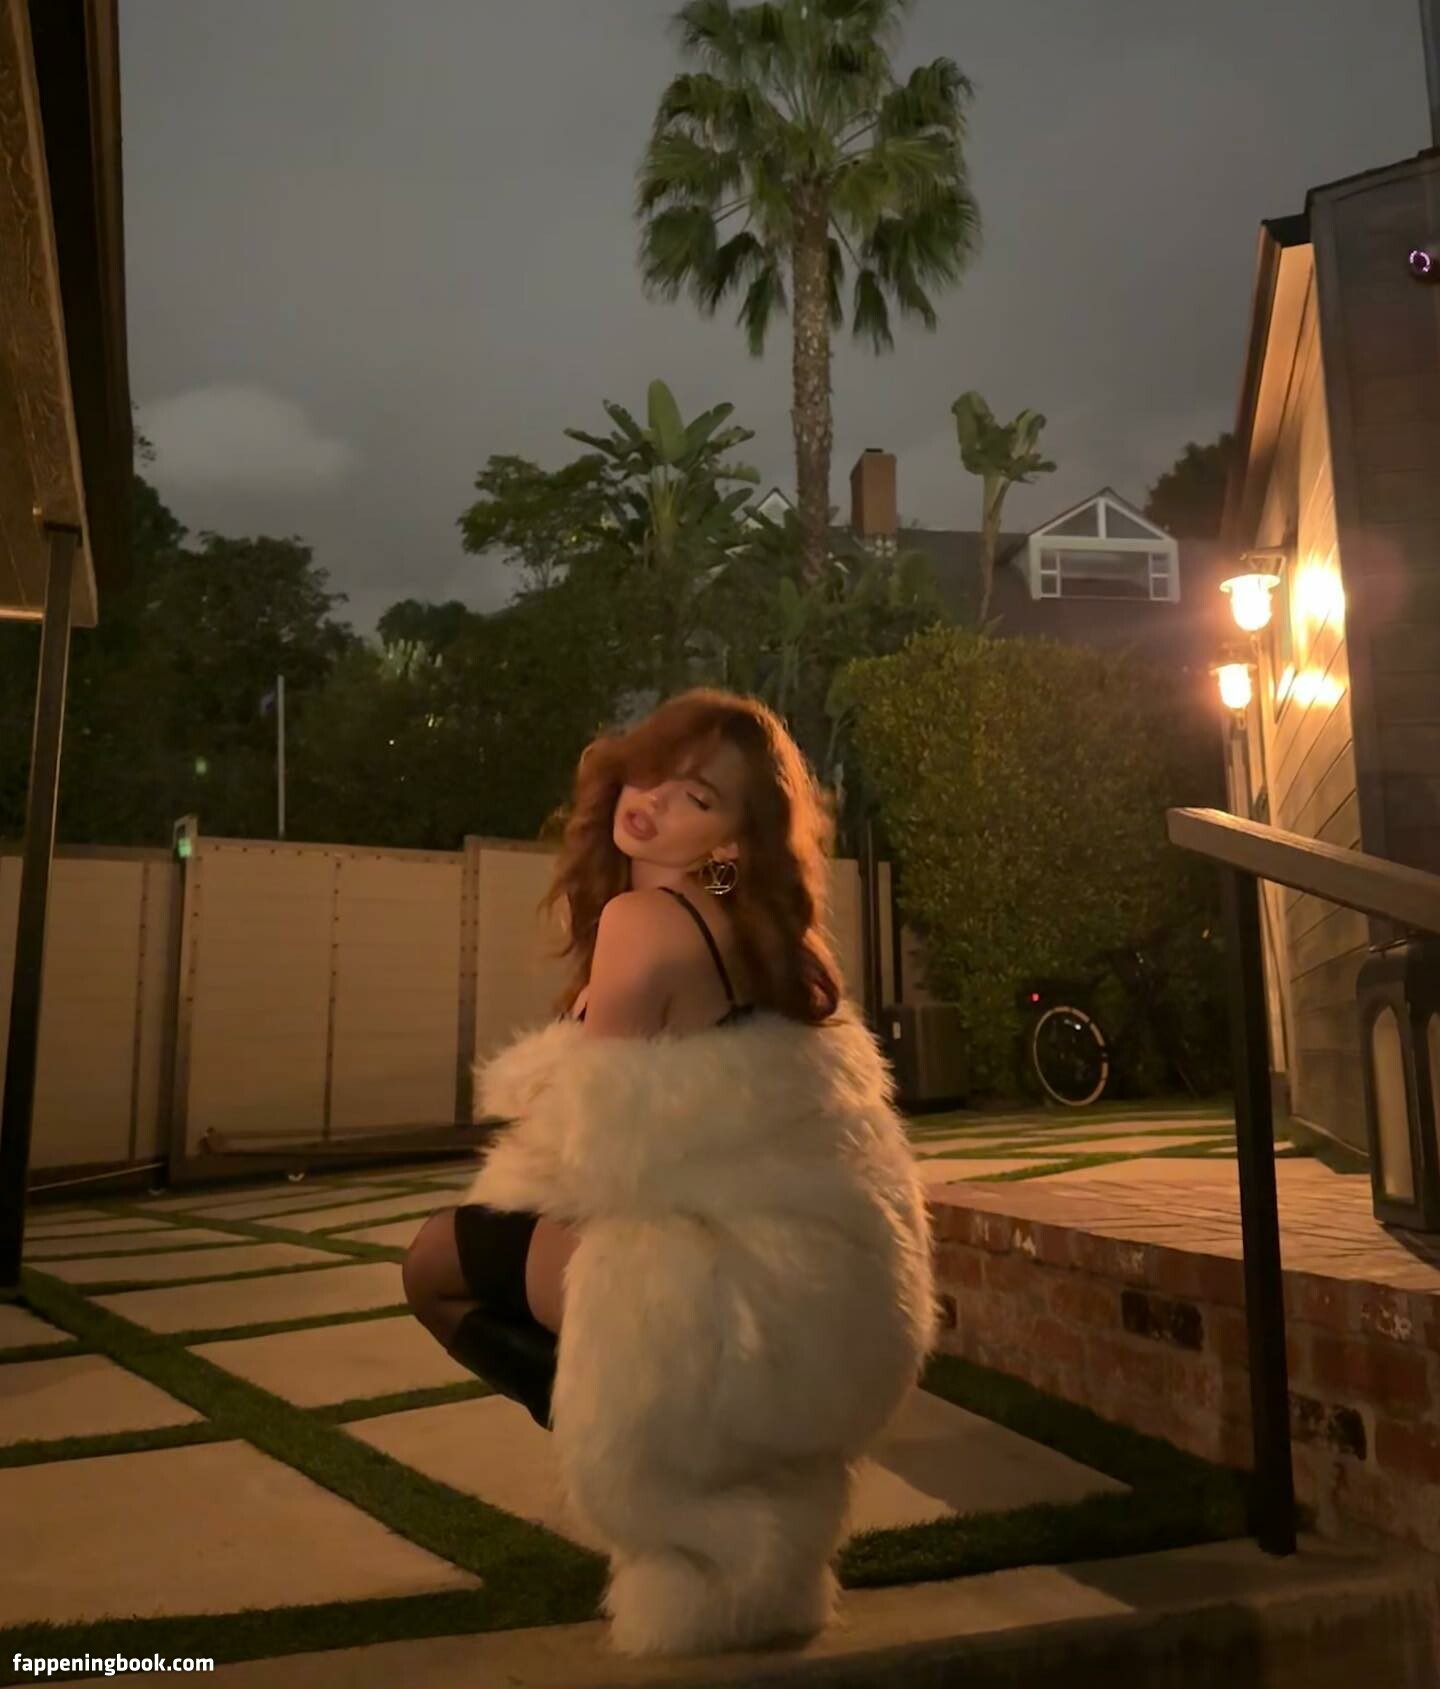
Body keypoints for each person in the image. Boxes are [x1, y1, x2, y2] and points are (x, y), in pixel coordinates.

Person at [402, 688, 935, 1659]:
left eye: (698, 797)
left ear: (732, 836)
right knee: (529, 1263)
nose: (652, 801)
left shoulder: (643, 919)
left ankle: (664, 1478)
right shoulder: (761, 930)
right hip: (832, 1312)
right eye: (652, 772)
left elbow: (595, 1151)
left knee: (436, 1264)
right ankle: (727, 1508)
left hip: (726, 1303)